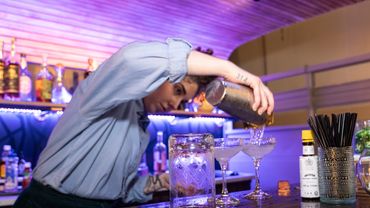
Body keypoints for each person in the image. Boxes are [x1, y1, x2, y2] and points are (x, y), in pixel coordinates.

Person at [14, 38, 274, 208]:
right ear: (160, 76)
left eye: (183, 102)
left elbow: (120, 190)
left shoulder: (141, 128)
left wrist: (168, 182)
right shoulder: (106, 93)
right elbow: (131, 60)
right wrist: (229, 69)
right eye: (178, 90)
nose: (175, 104)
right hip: (49, 203)